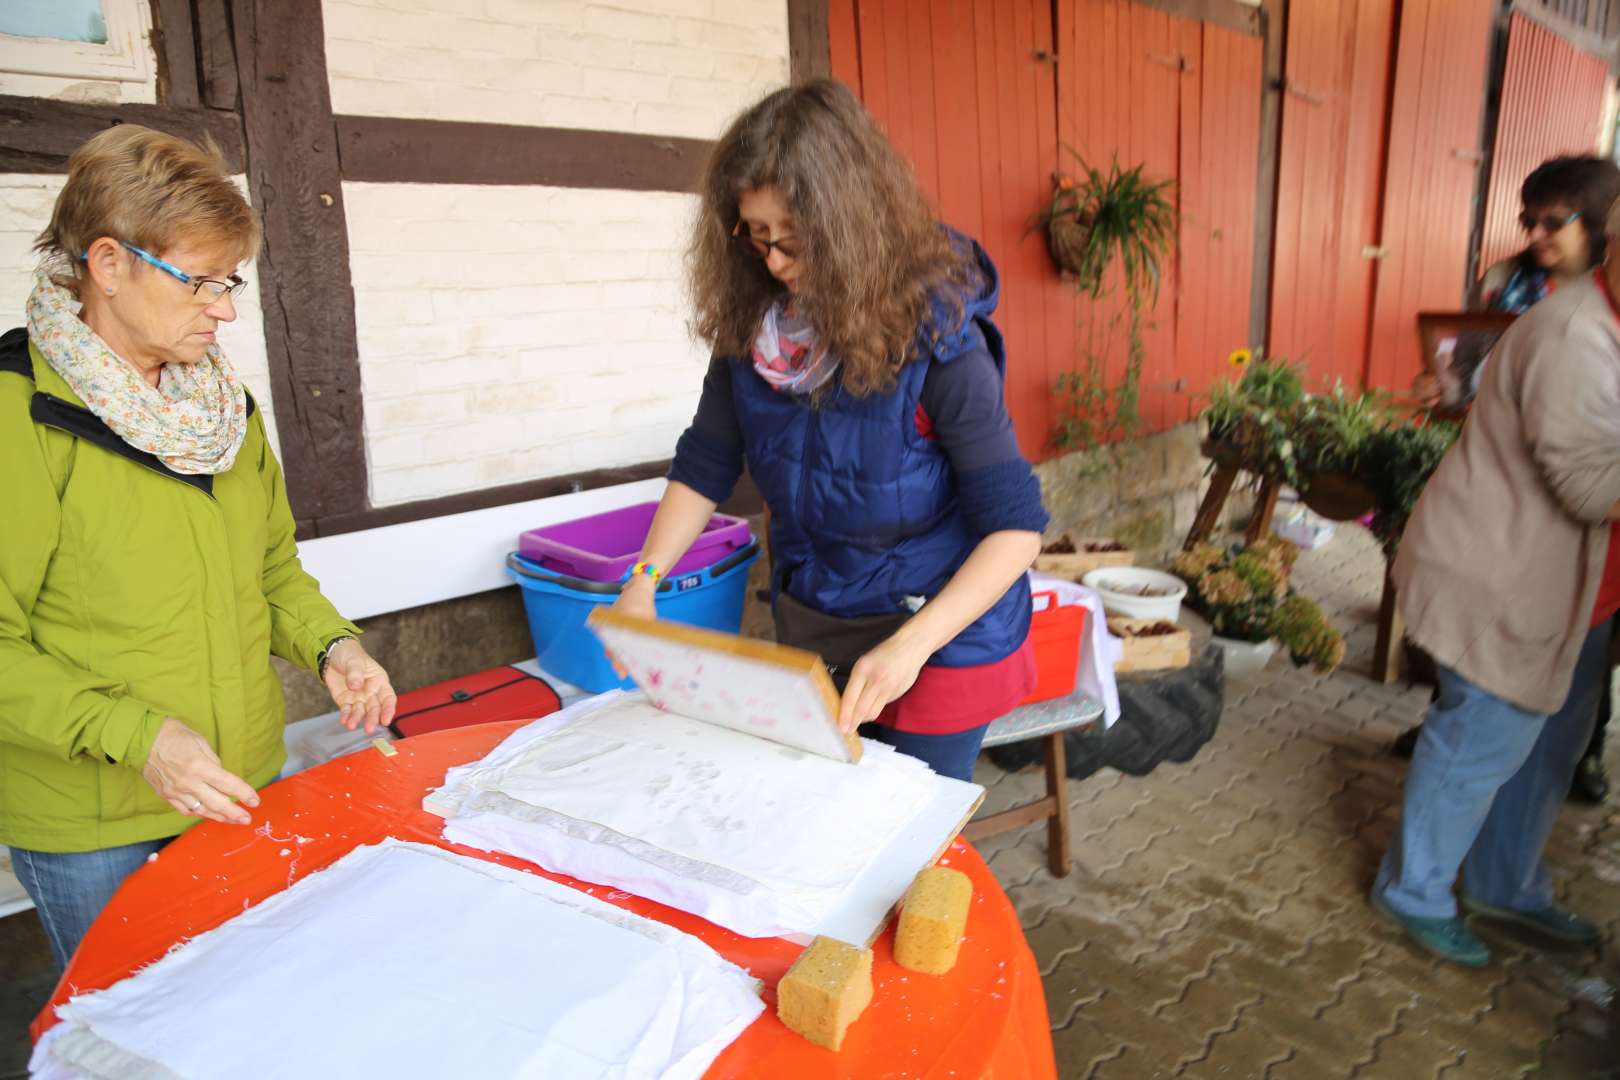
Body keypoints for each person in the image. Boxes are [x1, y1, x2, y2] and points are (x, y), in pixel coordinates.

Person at [0, 126, 397, 970]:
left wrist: (333, 645)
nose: (223, 309)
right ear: (108, 265)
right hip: (92, 824)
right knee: (129, 1037)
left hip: (242, 780)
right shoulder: (17, 414)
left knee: (249, 1003)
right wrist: (143, 736)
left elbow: (272, 570)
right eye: (200, 282)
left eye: (230, 282)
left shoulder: (224, 409)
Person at [607, 80, 1048, 782]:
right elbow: (705, 464)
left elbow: (1016, 528)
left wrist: (911, 646)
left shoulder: (938, 342)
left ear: (852, 224)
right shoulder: (755, 338)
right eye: (757, 238)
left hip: (943, 633)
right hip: (822, 614)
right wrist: (643, 579)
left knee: (903, 835)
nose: (775, 263)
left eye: (795, 240)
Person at [1368, 191, 1620, 968]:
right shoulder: (1579, 335)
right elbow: (1585, 485)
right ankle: (1413, 890)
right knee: (1479, 740)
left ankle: (1505, 885)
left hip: (1582, 592)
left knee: (1548, 748)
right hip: (1504, 577)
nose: (1538, 236)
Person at [1404, 155, 1620, 802]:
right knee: (1483, 684)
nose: (1536, 236)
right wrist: (1442, 386)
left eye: (1554, 222)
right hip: (1513, 516)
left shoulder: (1599, 312)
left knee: (1577, 689)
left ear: (1602, 227)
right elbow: (1467, 371)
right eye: (1528, 220)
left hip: (1587, 547)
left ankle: (1583, 754)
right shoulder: (1508, 283)